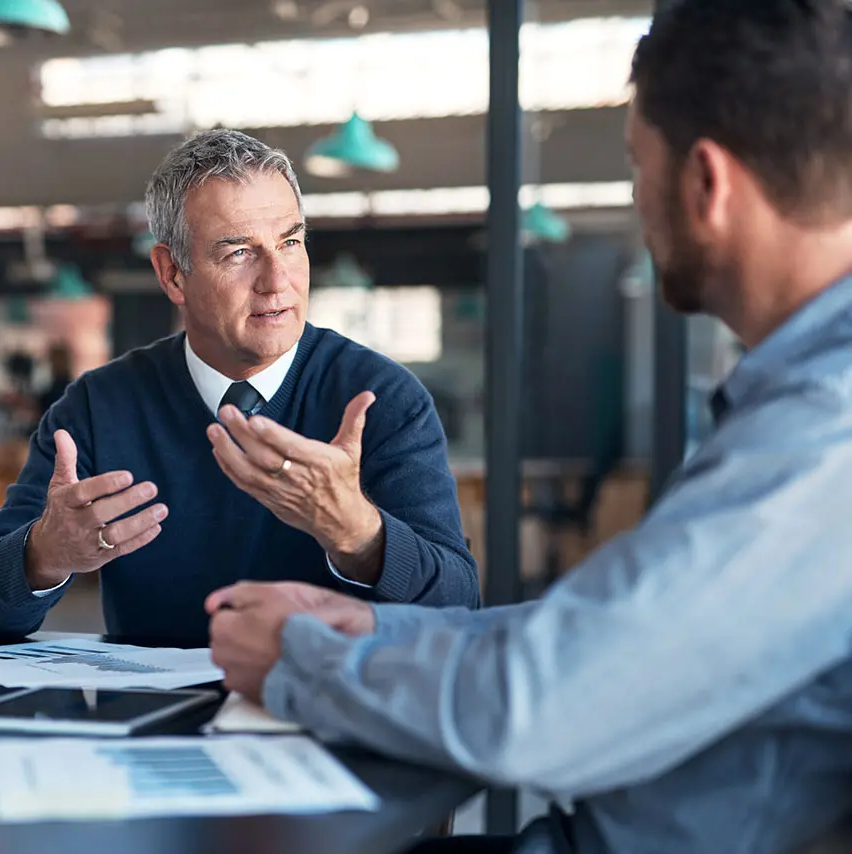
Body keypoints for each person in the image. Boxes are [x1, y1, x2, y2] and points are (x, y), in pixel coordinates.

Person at [207, 2, 852, 852]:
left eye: (637, 167)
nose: (638, 203)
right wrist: (372, 626)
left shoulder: (823, 430)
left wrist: (300, 661)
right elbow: (614, 635)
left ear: (706, 184)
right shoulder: (797, 399)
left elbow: (542, 705)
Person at [0, 129, 480, 642]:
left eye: (290, 243)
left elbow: (458, 608)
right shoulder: (97, 408)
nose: (278, 280)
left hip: (326, 710)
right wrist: (43, 554)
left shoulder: (382, 400)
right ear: (172, 274)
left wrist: (360, 535)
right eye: (239, 253)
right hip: (152, 716)